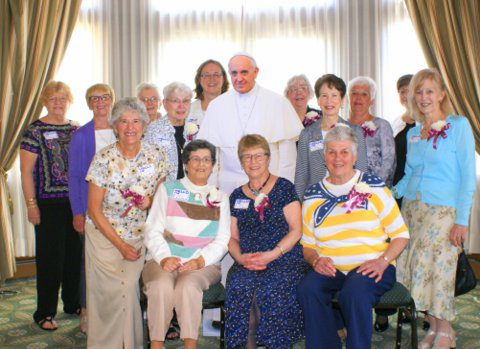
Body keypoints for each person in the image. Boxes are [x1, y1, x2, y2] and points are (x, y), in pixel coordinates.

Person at [297, 125, 409, 349]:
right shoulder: (312, 196)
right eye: (332, 152)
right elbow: (307, 246)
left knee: (354, 292)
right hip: (331, 267)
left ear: (355, 156)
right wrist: (315, 260)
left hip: (373, 265)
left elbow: (401, 235)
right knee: (307, 288)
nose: (338, 158)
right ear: (324, 156)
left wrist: (383, 261)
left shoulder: (375, 189)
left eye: (344, 152)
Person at [394, 68, 476, 349]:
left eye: (430, 90)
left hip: (443, 211)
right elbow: (408, 175)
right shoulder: (413, 133)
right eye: (419, 91)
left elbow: (468, 177)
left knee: (440, 270)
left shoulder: (459, 126)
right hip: (413, 211)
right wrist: (386, 194)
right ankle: (435, 326)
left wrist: (462, 220)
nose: (424, 97)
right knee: (418, 270)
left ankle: (445, 331)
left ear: (441, 94)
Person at [85, 98, 170, 348]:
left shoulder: (156, 155)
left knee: (129, 288)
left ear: (144, 124)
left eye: (135, 121)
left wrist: (150, 200)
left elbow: (163, 200)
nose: (130, 127)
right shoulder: (103, 158)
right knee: (105, 296)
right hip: (104, 234)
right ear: (115, 126)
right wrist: (120, 246)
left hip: (139, 235)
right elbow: (94, 209)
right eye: (123, 121)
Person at [143, 139, 230, 349]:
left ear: (213, 165)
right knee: (161, 286)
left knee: (188, 287)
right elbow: (152, 229)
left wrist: (200, 261)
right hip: (162, 259)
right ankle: (157, 345)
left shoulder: (220, 197)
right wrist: (164, 257)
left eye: (206, 159)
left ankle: (190, 345)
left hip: (203, 265)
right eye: (195, 159)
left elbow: (223, 240)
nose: (201, 164)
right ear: (185, 164)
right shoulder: (167, 189)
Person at [225, 134, 306, 348]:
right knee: (239, 287)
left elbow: (296, 230)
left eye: (258, 155)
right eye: (247, 157)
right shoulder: (235, 196)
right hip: (248, 260)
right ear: (241, 162)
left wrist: (271, 255)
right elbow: (231, 237)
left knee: (271, 291)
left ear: (268, 158)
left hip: (282, 258)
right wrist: (241, 259)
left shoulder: (284, 188)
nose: (253, 162)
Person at [20, 81, 81, 331]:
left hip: (75, 203)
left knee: (74, 258)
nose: (58, 103)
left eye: (62, 98)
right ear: (45, 101)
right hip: (47, 205)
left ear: (69, 101)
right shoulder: (34, 131)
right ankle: (44, 312)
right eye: (53, 99)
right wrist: (31, 204)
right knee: (50, 260)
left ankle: (72, 303)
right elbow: (25, 172)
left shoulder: (75, 129)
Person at [197, 52, 303, 195]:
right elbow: (213, 153)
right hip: (229, 185)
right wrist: (210, 188)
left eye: (244, 72)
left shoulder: (277, 102)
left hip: (269, 184)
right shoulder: (217, 105)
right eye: (234, 73)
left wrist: (283, 189)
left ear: (256, 72)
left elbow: (288, 157)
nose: (239, 78)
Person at [68, 83, 116, 333]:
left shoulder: (123, 129)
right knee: (89, 262)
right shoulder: (81, 135)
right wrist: (78, 212)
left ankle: (111, 311)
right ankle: (86, 310)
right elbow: (75, 177)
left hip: (121, 212)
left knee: (116, 262)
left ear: (112, 100)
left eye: (104, 97)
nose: (100, 102)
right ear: (88, 103)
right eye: (94, 98)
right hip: (91, 210)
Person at [294, 74, 368, 200]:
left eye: (334, 95)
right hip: (316, 199)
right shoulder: (307, 134)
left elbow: (362, 170)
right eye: (324, 96)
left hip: (349, 199)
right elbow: (301, 177)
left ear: (342, 100)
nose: (329, 101)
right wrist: (300, 207)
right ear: (318, 100)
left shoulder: (355, 132)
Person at [348, 76, 396, 187]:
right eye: (354, 93)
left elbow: (389, 163)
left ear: (372, 101)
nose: (358, 98)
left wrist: (372, 188)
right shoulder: (341, 126)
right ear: (348, 97)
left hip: (375, 189)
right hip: (345, 189)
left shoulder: (382, 126)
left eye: (364, 94)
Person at [144, 82, 195, 181]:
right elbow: (145, 166)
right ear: (165, 104)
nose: (181, 106)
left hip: (191, 189)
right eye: (175, 101)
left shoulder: (195, 129)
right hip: (163, 190)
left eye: (185, 101)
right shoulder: (154, 130)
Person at [188, 59, 229, 126]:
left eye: (216, 75)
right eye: (206, 75)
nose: (211, 78)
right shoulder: (189, 110)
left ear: (223, 78)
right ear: (199, 79)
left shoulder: (234, 108)